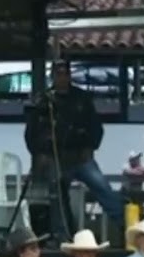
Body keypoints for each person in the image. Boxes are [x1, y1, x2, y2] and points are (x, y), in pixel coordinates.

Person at [25, 61, 125, 240]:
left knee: (103, 188)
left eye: (65, 74)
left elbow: (96, 128)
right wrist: (39, 155)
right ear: (52, 76)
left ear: (69, 76)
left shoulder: (82, 98)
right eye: (58, 74)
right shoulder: (44, 100)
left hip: (81, 158)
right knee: (57, 195)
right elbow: (31, 133)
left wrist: (91, 147)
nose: (61, 77)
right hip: (57, 158)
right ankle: (62, 236)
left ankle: (126, 226)